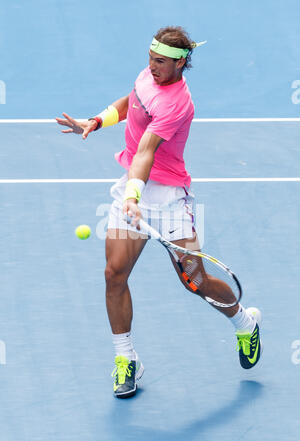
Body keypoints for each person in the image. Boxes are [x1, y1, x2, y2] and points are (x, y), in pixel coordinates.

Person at [56, 26, 262, 399]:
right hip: (134, 190)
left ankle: (245, 323)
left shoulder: (177, 103)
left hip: (168, 196)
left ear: (181, 63)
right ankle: (126, 359)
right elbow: (130, 101)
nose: (152, 66)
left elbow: (146, 150)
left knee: (194, 280)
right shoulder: (148, 76)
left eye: (161, 62)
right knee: (114, 274)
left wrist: (134, 196)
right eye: (151, 58)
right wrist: (97, 120)